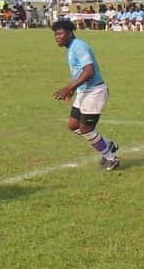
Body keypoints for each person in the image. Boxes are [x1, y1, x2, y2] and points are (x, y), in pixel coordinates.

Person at [51, 20, 120, 171]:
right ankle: (108, 144)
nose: (57, 37)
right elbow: (80, 72)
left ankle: (111, 157)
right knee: (73, 125)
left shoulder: (79, 47)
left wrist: (69, 87)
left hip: (94, 92)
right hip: (84, 91)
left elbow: (89, 71)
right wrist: (73, 89)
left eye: (60, 33)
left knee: (86, 129)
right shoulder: (72, 48)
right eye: (55, 34)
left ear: (70, 33)